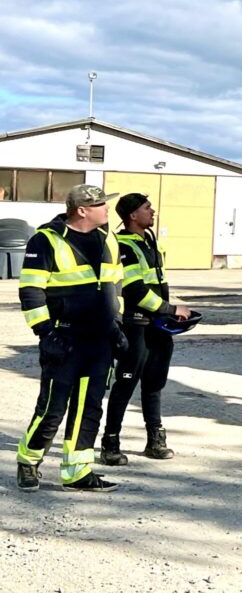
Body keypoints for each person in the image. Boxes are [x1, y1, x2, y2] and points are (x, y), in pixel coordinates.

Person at [16, 184, 126, 493]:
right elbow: (31, 290)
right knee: (53, 408)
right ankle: (28, 460)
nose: (107, 209)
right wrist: (45, 332)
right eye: (102, 205)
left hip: (100, 340)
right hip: (64, 339)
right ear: (82, 210)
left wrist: (116, 327)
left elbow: (114, 286)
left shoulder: (108, 239)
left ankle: (77, 472)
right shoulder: (46, 240)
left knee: (89, 408)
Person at [100, 193, 190, 465]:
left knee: (154, 384)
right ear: (132, 216)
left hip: (157, 326)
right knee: (125, 384)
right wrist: (172, 310)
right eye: (147, 208)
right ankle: (110, 442)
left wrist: (168, 314)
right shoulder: (124, 245)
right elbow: (136, 290)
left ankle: (155, 439)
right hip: (136, 325)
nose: (153, 212)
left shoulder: (149, 240)